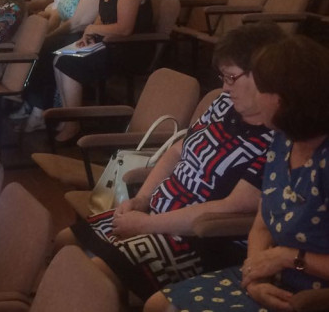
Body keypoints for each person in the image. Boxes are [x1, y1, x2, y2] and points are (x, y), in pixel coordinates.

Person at [56, 23, 284, 304]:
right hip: (155, 212)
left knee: (93, 275)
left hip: (200, 238)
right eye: (223, 77)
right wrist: (141, 200)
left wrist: (146, 225)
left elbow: (231, 207)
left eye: (231, 77)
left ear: (263, 76)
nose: (225, 86)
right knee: (65, 241)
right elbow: (177, 151)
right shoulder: (224, 104)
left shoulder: (277, 137)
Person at [147, 35, 329, 312]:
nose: (253, 97)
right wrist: (255, 276)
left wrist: (288, 257)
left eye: (261, 89)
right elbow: (262, 225)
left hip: (310, 294)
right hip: (270, 273)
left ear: (284, 100)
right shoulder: (282, 141)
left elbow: (282, 253)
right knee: (157, 305)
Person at [52, 0, 152, 143]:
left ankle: (73, 123)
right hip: (107, 42)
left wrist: (93, 29)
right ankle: (68, 116)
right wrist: (90, 34)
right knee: (59, 57)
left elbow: (124, 28)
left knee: (68, 63)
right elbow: (102, 14)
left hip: (128, 49)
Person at [19, 0, 107, 131]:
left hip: (81, 35)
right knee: (35, 45)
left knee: (43, 50)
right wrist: (46, 31)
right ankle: (30, 102)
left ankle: (40, 109)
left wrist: (49, 37)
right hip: (63, 30)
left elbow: (76, 23)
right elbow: (59, 11)